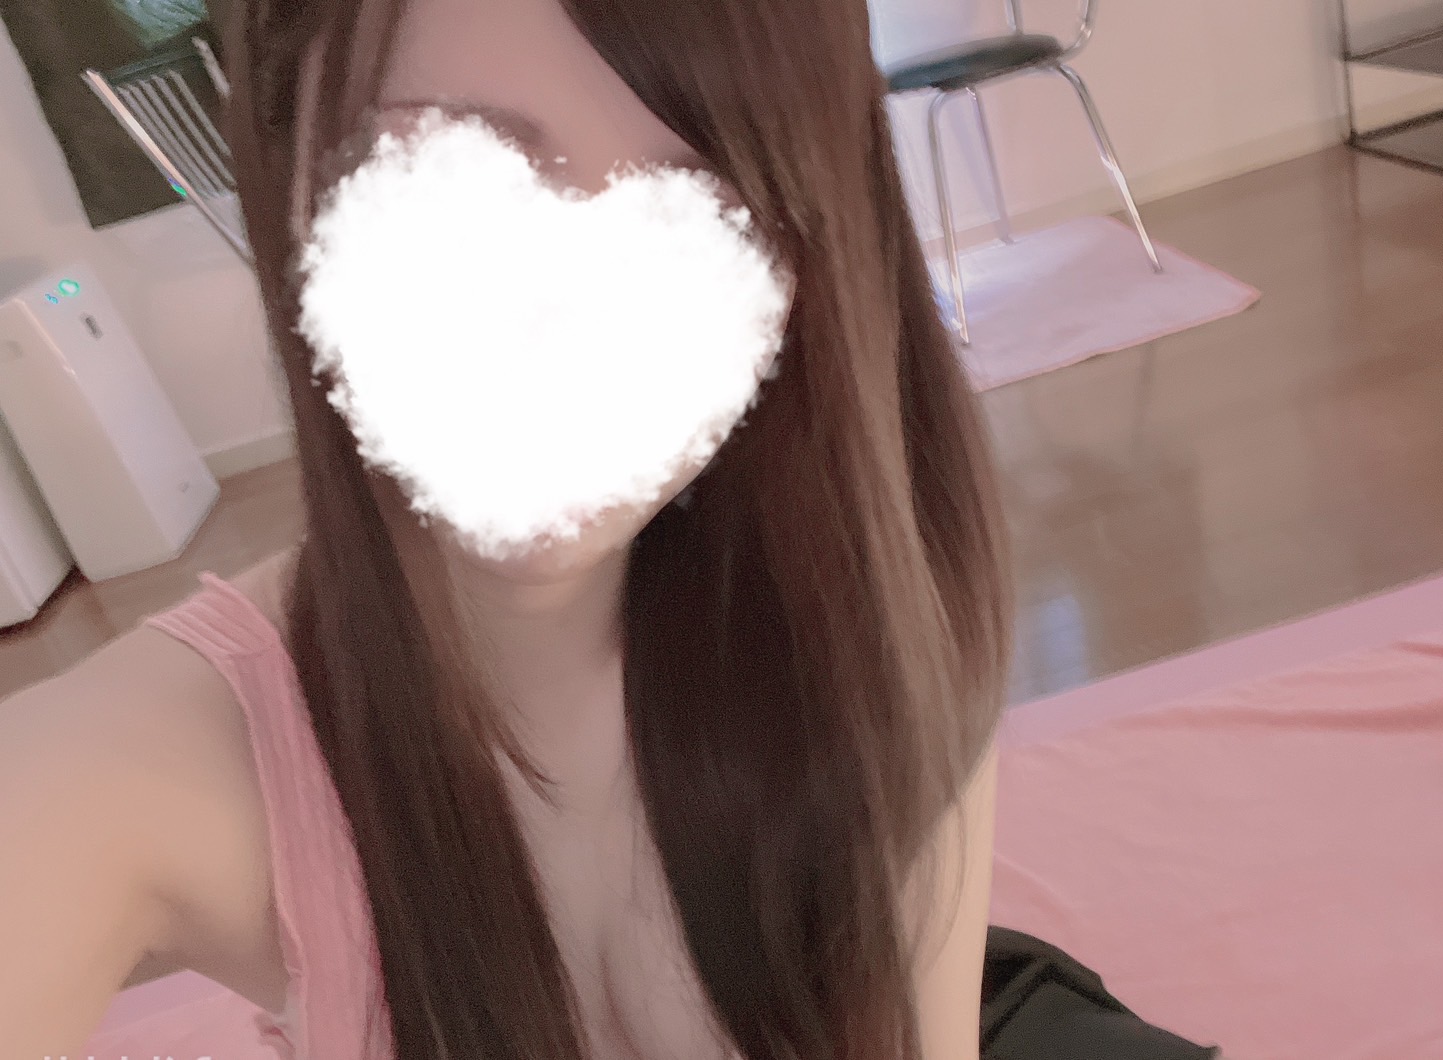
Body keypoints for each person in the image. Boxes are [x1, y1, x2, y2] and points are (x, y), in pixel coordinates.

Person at [0, 0, 1012, 1057]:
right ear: (286, 170)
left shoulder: (885, 619)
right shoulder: (136, 769)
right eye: (455, 177)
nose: (571, 321)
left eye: (701, 212)